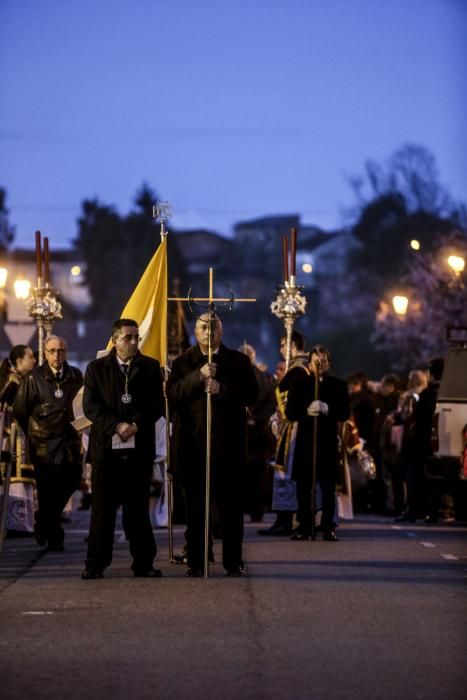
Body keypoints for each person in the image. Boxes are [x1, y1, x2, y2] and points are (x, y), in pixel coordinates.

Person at [167, 312, 258, 577]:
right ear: (195, 332)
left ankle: (233, 561)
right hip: (192, 447)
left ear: (221, 331)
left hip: (229, 446)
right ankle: (196, 560)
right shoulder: (183, 363)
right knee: (196, 509)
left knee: (230, 510)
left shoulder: (238, 361)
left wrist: (222, 390)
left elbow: (252, 394)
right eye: (203, 327)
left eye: (214, 327)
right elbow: (172, 396)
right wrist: (198, 377)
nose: (209, 332)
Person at [81, 319, 164, 579]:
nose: (133, 342)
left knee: (138, 509)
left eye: (136, 337)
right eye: (127, 337)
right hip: (106, 450)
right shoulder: (96, 368)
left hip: (138, 450)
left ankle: (143, 563)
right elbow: (91, 406)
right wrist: (116, 425)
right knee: (102, 511)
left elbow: (156, 405)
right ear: (115, 340)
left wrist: (135, 425)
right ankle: (95, 563)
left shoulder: (150, 367)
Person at [13, 336, 83, 551]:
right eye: (52, 351)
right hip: (43, 445)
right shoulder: (34, 378)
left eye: (60, 351)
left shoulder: (75, 375)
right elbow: (20, 411)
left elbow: (81, 405)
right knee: (47, 491)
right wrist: (34, 434)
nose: (56, 355)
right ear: (45, 354)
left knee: (72, 480)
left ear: (66, 352)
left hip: (69, 442)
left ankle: (43, 520)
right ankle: (54, 537)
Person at [285, 345, 350, 541]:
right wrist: (306, 410)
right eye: (316, 361)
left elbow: (345, 412)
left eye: (323, 361)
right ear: (310, 363)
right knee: (303, 487)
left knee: (328, 488)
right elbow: (290, 413)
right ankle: (304, 525)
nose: (320, 365)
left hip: (327, 441)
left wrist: (328, 409)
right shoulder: (299, 383)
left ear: (329, 363)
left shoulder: (338, 385)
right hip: (306, 442)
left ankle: (328, 526)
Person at [258, 330, 309, 536]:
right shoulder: (296, 368)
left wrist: (279, 416)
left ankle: (285, 519)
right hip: (289, 426)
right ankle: (284, 517)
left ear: (292, 345)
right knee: (284, 471)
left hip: (293, 427)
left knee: (285, 473)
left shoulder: (299, 370)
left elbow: (290, 400)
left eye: (283, 345)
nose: (280, 349)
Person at [0, 345, 36, 536]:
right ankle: (15, 524)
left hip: (24, 435)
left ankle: (24, 523)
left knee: (26, 480)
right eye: (30, 357)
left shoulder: (24, 380)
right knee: (15, 479)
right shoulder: (10, 382)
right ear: (19, 361)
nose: (35, 360)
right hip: (12, 437)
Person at [239, 343, 277, 522]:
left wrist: (247, 417)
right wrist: (259, 417)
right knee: (259, 472)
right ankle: (257, 510)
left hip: (241, 429)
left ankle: (240, 508)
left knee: (240, 470)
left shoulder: (234, 376)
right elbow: (271, 404)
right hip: (261, 430)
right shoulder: (267, 378)